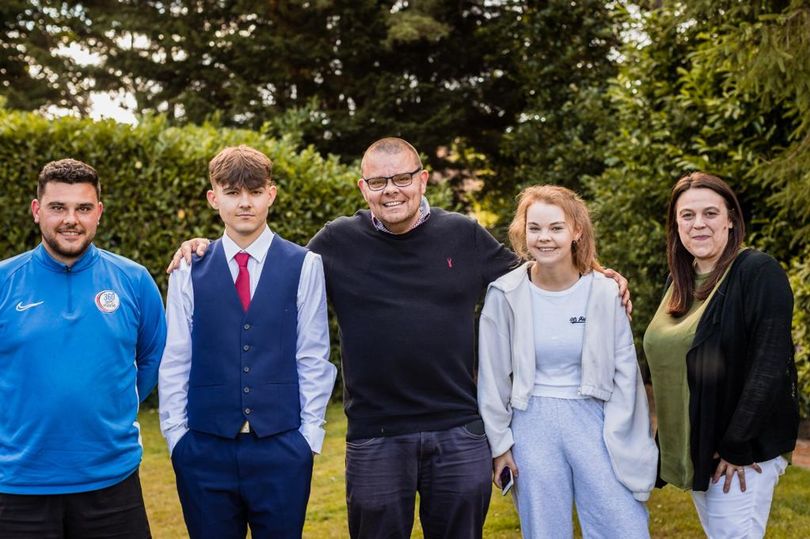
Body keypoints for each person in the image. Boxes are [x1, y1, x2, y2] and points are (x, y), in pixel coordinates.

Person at [169, 137, 631, 539]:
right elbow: (270, 273)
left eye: (402, 178)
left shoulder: (462, 234)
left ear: (423, 180)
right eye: (378, 182)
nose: (391, 190)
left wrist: (594, 276)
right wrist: (203, 247)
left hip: (458, 430)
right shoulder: (336, 242)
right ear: (363, 188)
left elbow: (535, 277)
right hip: (375, 435)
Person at [158, 145, 336, 538]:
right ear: (213, 198)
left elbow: (312, 355)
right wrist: (177, 438)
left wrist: (308, 439)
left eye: (255, 192)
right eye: (233, 192)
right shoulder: (188, 268)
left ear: (270, 194)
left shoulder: (304, 264)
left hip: (281, 447)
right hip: (204, 448)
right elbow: (176, 358)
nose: (245, 203)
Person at [0, 159, 167, 538]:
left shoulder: (134, 280)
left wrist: (109, 405)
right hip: (18, 485)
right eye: (58, 207)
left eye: (83, 208)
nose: (71, 219)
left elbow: (152, 357)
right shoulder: (4, 280)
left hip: (111, 481)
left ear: (99, 214)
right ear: (36, 210)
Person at [477, 185, 656, 538]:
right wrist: (500, 446)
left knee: (623, 526)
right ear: (522, 232)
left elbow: (626, 378)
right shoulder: (505, 294)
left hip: (595, 421)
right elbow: (493, 380)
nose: (545, 238)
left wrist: (624, 438)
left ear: (576, 231)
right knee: (545, 530)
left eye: (556, 228)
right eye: (535, 228)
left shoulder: (605, 292)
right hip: (531, 423)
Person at [643, 172, 799, 538]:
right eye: (687, 215)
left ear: (730, 219)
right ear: (675, 225)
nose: (699, 224)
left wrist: (735, 446)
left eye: (710, 213)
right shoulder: (678, 282)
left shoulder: (757, 272)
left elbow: (770, 364)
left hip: (739, 457)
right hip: (700, 448)